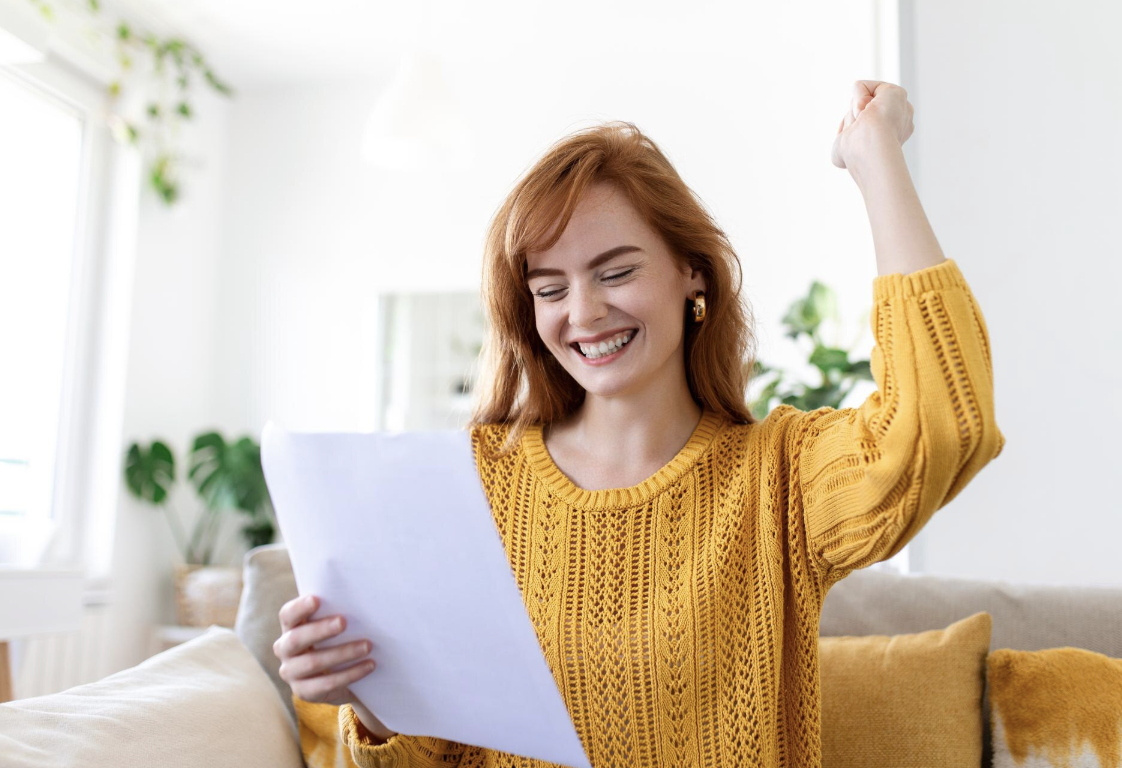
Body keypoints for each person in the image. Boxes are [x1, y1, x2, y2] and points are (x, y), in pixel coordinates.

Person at [273, 81, 1007, 768]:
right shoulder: (472, 483)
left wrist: (876, 156)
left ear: (692, 272)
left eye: (615, 272)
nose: (583, 313)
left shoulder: (779, 478)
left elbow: (941, 425)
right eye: (550, 287)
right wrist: (369, 702)